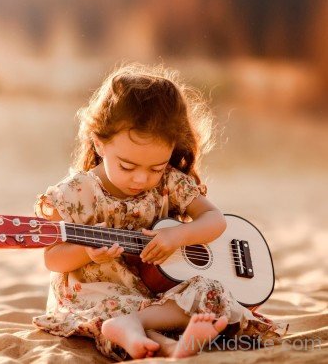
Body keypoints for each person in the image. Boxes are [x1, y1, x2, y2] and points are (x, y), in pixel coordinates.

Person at [32, 63, 288, 360]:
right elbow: (52, 258)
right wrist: (87, 252)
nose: (141, 178)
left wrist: (178, 235)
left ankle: (138, 329)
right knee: (109, 311)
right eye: (127, 166)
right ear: (100, 144)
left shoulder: (169, 181)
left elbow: (215, 220)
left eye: (154, 167)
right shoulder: (77, 193)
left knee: (213, 291)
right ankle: (158, 342)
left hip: (157, 298)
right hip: (97, 292)